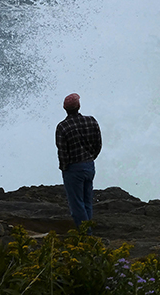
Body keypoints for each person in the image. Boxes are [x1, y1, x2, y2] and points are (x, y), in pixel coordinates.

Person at [55, 93, 102, 227]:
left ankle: (85, 234)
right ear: (79, 106)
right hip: (89, 165)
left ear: (65, 108)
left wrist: (65, 169)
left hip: (73, 169)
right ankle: (88, 229)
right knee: (87, 201)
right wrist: (91, 158)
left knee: (77, 203)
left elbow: (62, 152)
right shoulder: (91, 120)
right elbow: (98, 144)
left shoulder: (62, 127)